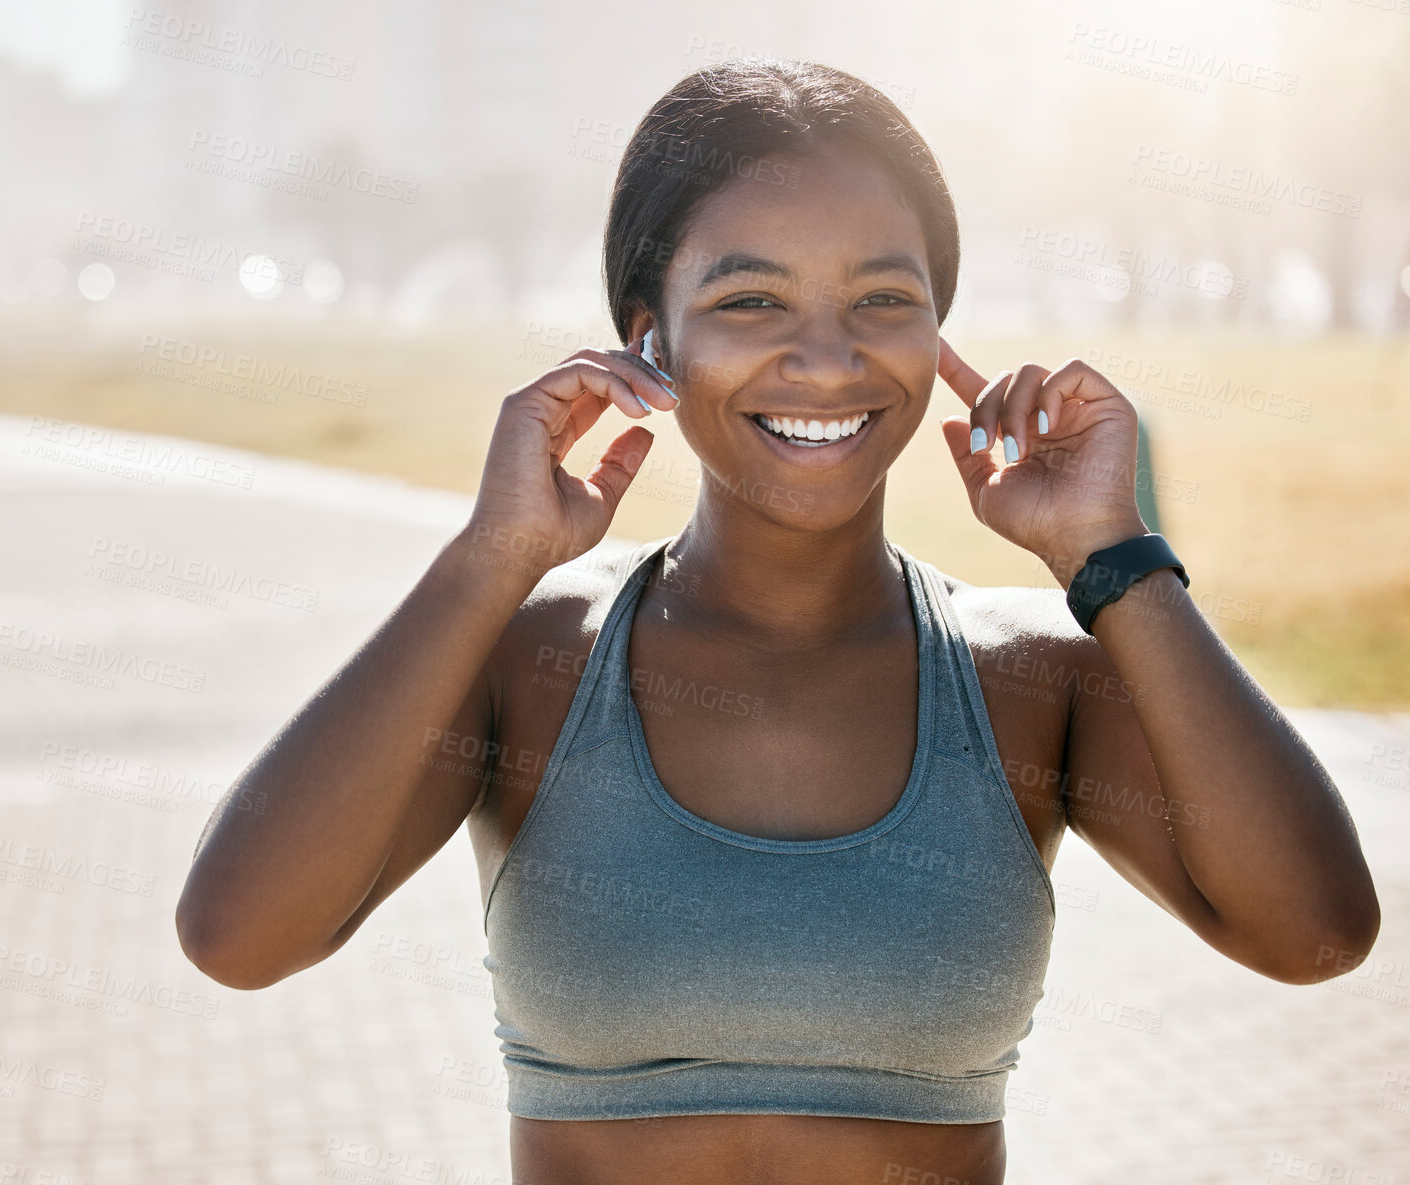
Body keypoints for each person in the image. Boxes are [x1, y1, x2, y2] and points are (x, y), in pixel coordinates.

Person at [174, 59, 1380, 1185]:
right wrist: (488, 559)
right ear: (650, 338)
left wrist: (1108, 557)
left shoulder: (1035, 678)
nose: (826, 356)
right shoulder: (528, 658)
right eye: (751, 297)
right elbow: (240, 939)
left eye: (883, 297)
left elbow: (1314, 934)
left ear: (937, 336)